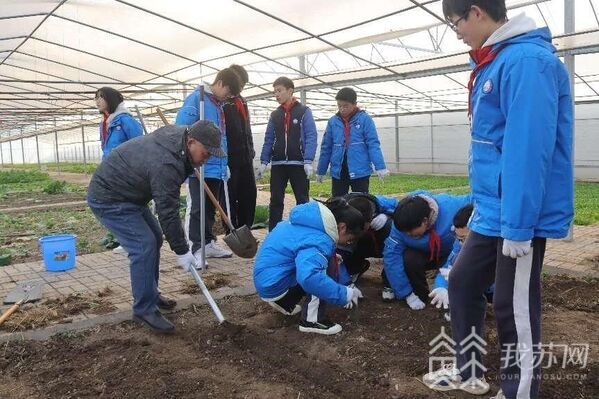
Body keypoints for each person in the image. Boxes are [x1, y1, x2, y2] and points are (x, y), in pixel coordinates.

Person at [424, 2, 574, 398]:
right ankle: (469, 371)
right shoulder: (497, 59)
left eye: (454, 22)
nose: (455, 31)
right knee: (462, 282)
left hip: (517, 215)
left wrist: (520, 226)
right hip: (492, 210)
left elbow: (527, 148)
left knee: (514, 309)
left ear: (475, 12)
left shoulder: (525, 61)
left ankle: (518, 393)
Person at [87, 121, 224, 333]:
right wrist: (182, 250)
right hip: (110, 197)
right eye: (206, 152)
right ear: (191, 142)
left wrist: (179, 246)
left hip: (130, 194)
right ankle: (143, 309)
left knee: (156, 239)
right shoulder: (166, 163)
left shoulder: (179, 142)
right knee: (143, 245)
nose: (208, 158)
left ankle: (151, 292)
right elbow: (167, 210)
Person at [253, 198, 365, 335]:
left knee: (325, 259)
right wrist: (344, 294)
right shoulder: (319, 240)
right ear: (342, 227)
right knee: (318, 272)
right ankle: (312, 320)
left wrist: (345, 282)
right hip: (275, 284)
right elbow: (310, 277)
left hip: (267, 280)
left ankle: (284, 302)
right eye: (349, 240)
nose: (347, 243)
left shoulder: (308, 223)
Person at [176, 68, 241, 260]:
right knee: (198, 207)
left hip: (216, 166)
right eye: (228, 92)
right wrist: (189, 159)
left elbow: (221, 138)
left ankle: (208, 242)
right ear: (220, 83)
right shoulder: (198, 99)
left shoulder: (218, 105)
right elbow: (182, 128)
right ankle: (196, 247)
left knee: (210, 208)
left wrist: (224, 163)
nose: (228, 97)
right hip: (199, 164)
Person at [382, 191, 471, 309]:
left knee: (463, 263)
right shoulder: (401, 224)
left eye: (410, 232)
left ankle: (458, 303)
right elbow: (391, 257)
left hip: (449, 254)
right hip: (423, 255)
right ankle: (421, 295)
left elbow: (480, 200)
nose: (407, 234)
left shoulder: (452, 207)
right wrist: (406, 294)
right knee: (409, 259)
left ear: (425, 221)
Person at [257, 76, 318, 231]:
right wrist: (264, 161)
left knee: (302, 200)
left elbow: (311, 135)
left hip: (298, 164)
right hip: (278, 164)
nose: (276, 95)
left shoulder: (304, 111)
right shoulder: (275, 115)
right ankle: (274, 233)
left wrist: (308, 160)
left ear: (290, 91)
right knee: (276, 200)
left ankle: (303, 232)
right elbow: (269, 138)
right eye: (274, 92)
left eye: (279, 91)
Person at [95, 87, 144, 255]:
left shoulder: (125, 120)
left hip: (125, 171)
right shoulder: (105, 123)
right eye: (96, 98)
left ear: (111, 99)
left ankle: (131, 240)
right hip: (111, 170)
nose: (97, 101)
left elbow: (139, 143)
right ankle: (125, 240)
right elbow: (106, 148)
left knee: (127, 205)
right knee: (116, 206)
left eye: (101, 97)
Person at [316, 87, 389, 196]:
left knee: (361, 202)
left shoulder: (365, 119)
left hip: (360, 170)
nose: (342, 109)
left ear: (354, 104)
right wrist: (321, 170)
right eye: (339, 105)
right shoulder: (333, 122)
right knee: (337, 202)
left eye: (346, 106)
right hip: (339, 170)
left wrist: (380, 166)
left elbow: (373, 144)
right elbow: (326, 147)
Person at [222, 64, 257, 230]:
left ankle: (245, 228)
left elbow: (246, 128)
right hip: (230, 158)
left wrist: (250, 149)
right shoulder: (223, 102)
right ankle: (231, 230)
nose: (240, 88)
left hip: (245, 157)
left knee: (249, 194)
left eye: (243, 86)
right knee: (229, 196)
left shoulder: (241, 101)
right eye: (239, 84)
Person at [335, 192, 398, 285]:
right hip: (348, 240)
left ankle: (389, 279)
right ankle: (355, 268)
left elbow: (403, 208)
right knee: (340, 251)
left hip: (376, 240)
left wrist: (388, 215)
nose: (358, 231)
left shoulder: (380, 202)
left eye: (362, 228)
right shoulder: (338, 209)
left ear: (371, 218)